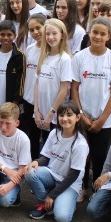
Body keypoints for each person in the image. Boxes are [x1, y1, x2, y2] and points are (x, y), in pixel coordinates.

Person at [71, 17, 111, 203]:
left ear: (109, 36)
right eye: (95, 32)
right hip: (82, 116)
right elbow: (74, 88)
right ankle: (81, 186)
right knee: (81, 154)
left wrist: (102, 120)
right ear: (89, 33)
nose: (98, 37)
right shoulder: (79, 57)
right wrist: (81, 115)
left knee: (100, 156)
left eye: (102, 34)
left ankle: (97, 188)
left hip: (104, 119)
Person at [25, 100, 89, 222]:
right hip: (52, 174)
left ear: (78, 118)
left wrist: (52, 195)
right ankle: (45, 204)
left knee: (62, 218)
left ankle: (59, 200)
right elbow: (46, 157)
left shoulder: (80, 144)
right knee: (30, 172)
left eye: (69, 115)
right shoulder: (54, 133)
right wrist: (37, 162)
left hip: (70, 183)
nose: (64, 119)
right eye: (61, 115)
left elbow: (73, 175)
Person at [33, 18, 72, 153]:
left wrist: (51, 113)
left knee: (54, 149)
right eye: (48, 34)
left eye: (54, 33)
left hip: (55, 115)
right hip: (41, 113)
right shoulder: (44, 56)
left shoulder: (65, 59)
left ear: (62, 35)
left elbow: (64, 90)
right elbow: (37, 84)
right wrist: (36, 110)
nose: (50, 37)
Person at [0, 20, 25, 125]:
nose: (5, 38)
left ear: (15, 35)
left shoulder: (19, 56)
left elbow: (20, 81)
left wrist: (15, 102)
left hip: (9, 100)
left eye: (9, 35)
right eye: (2, 34)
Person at [21, 13, 45, 159]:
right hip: (29, 99)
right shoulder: (29, 49)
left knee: (47, 139)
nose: (35, 32)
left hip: (46, 102)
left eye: (38, 28)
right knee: (32, 137)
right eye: (31, 30)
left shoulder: (51, 50)